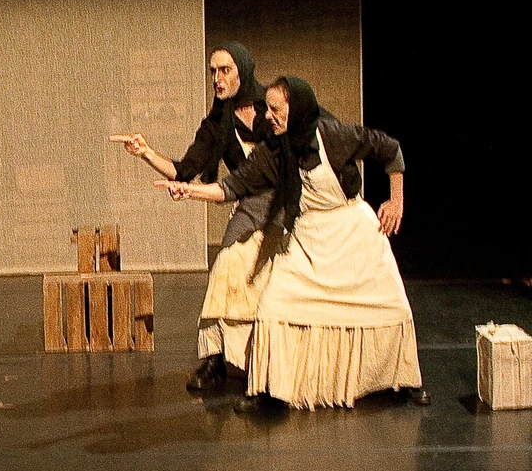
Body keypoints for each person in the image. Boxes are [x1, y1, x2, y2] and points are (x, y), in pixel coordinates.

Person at [154, 76, 430, 411]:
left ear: (296, 109)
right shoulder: (274, 150)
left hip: (353, 231)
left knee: (391, 305)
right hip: (309, 235)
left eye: (275, 109)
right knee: (274, 305)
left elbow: (390, 149)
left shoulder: (332, 134)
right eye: (267, 109)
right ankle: (264, 387)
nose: (267, 116)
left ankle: (407, 381)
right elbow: (233, 187)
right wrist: (189, 190)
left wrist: (396, 201)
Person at [110, 42, 276, 392]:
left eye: (225, 70)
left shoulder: (273, 107)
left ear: (242, 71)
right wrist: (146, 153)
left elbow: (316, 130)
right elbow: (183, 171)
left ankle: (272, 358)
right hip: (247, 207)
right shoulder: (217, 124)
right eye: (213, 71)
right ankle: (215, 358)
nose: (217, 78)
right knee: (225, 270)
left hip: (284, 206)